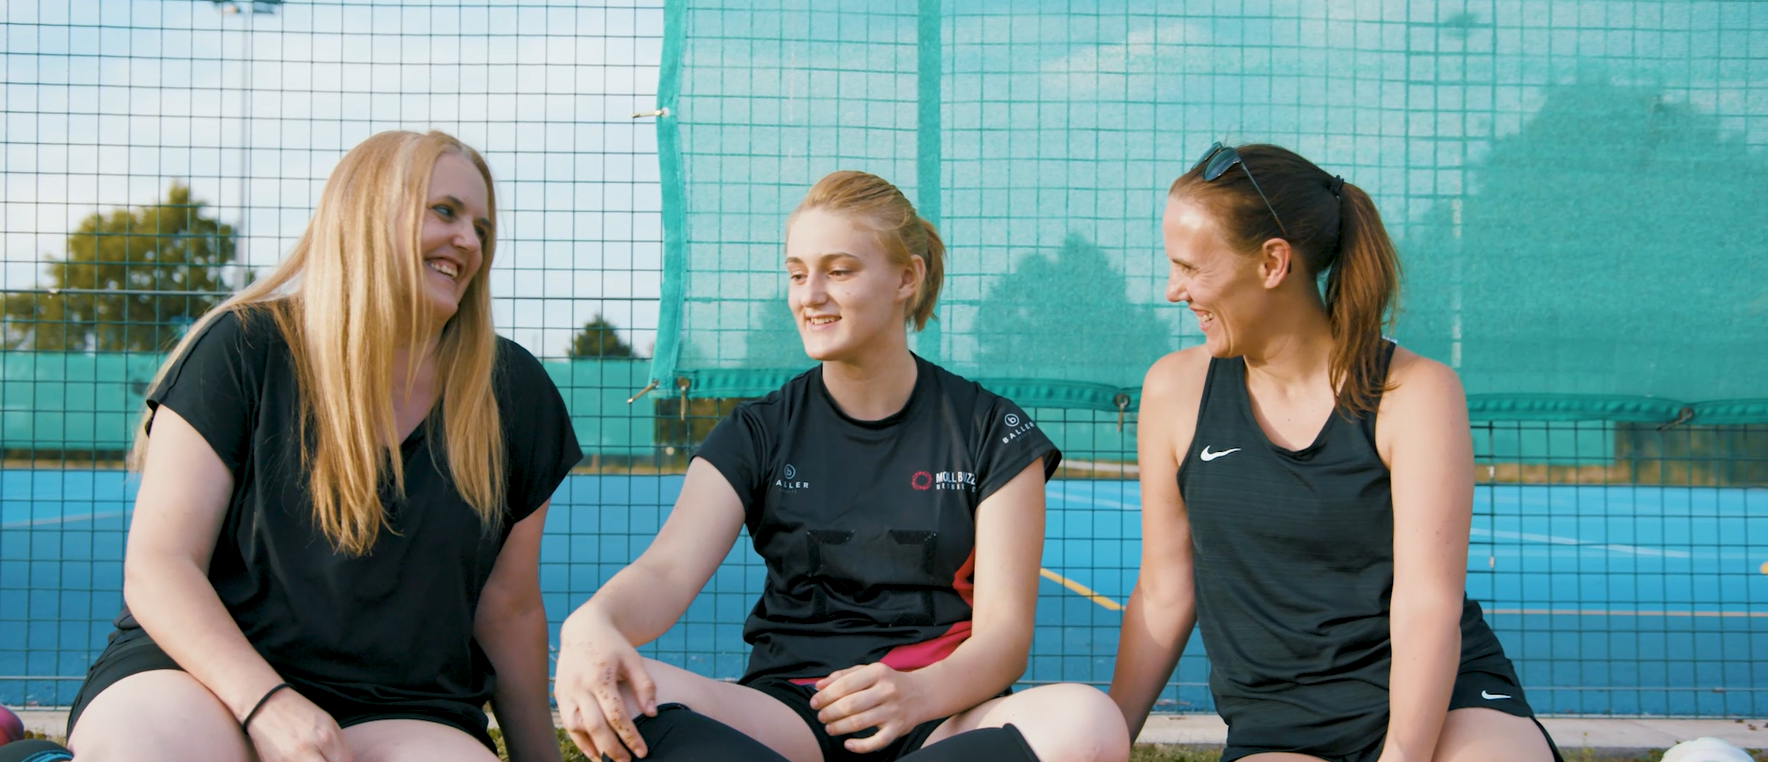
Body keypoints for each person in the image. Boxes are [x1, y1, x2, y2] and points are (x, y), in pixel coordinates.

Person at [553, 171, 1129, 762]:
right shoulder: (757, 430)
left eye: (839, 270)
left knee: (1088, 722)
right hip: (791, 718)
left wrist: (915, 694)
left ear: (907, 276)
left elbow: (1004, 639)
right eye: (797, 273)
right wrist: (591, 622)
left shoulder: (989, 429)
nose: (810, 295)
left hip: (942, 714)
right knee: (619, 688)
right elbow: (666, 571)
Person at [66, 130, 580, 762]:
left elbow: (508, 609)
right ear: (368, 212)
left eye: (482, 226)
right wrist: (267, 705)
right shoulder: (242, 348)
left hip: (403, 707)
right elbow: (160, 567)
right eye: (445, 212)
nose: (470, 242)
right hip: (204, 676)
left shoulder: (513, 391)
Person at [1107, 143, 1564, 762]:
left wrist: (1403, 754)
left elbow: (1427, 602)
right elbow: (1164, 590)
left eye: (1190, 268)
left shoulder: (1415, 392)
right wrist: (1106, 739)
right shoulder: (1174, 391)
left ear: (1272, 262)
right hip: (1283, 725)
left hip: (1441, 700)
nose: (1172, 290)